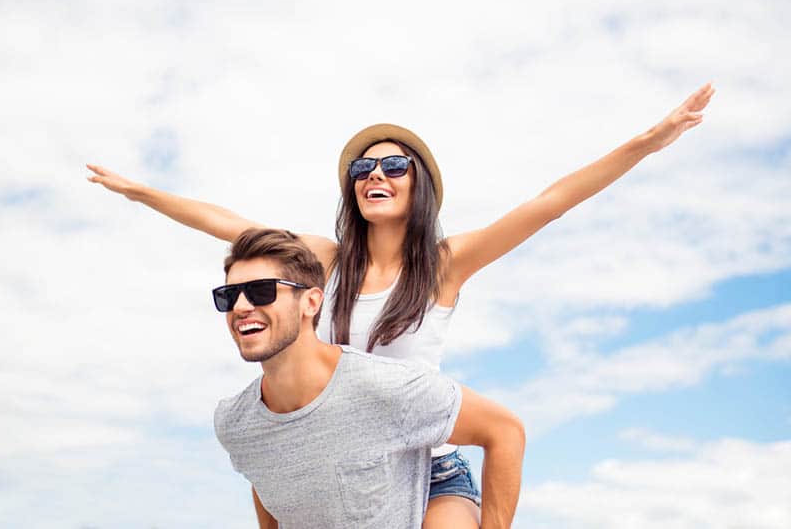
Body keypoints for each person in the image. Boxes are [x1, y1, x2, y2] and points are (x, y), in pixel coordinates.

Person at [86, 82, 714, 527]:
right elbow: (229, 223)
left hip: (430, 470)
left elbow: (548, 203)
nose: (374, 174)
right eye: (362, 167)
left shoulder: (443, 264)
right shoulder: (324, 261)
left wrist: (647, 142)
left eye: (393, 164)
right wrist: (143, 192)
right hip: (343, 472)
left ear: (420, 183)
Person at [213, 228, 525, 529]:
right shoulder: (236, 423)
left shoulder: (385, 387)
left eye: (261, 291)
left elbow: (504, 430)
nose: (241, 307)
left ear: (311, 302)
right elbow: (264, 479)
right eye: (229, 296)